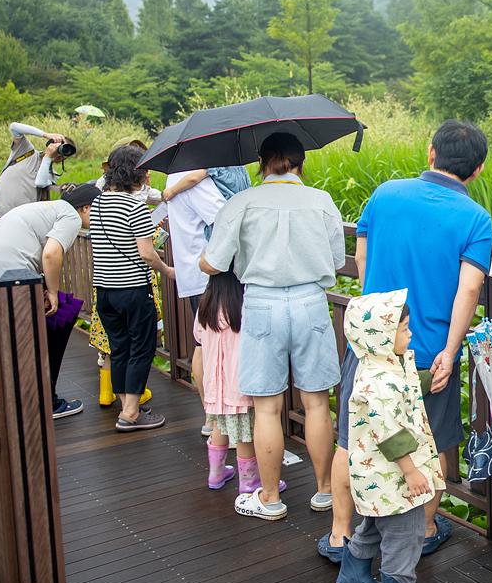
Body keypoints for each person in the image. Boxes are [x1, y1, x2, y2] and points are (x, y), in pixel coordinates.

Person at [317, 120, 491, 562]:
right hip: (429, 352)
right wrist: (451, 350)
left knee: (350, 441)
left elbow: (361, 257)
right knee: (429, 446)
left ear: (431, 152)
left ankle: (340, 535)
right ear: (478, 169)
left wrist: (375, 317)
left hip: (371, 345)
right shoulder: (475, 218)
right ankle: (425, 531)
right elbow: (470, 289)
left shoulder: (385, 194)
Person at [201, 132, 344, 522]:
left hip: (262, 304)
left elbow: (214, 262)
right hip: (310, 302)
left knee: (266, 408)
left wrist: (204, 260)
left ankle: (269, 497)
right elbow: (335, 260)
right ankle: (325, 491)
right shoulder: (321, 201)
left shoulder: (241, 202)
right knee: (316, 402)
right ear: (301, 164)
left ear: (261, 163)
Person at [333, 290, 444, 583]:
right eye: (404, 328)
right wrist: (411, 472)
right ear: (380, 335)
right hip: (394, 476)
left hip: (377, 481)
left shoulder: (378, 364)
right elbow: (389, 433)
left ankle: (352, 575)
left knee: (376, 523)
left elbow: (404, 389)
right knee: (405, 533)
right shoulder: (379, 382)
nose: (410, 334)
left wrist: (427, 380)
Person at [0, 183, 101, 418]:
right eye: (100, 212)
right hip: (3, 281)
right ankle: (46, 401)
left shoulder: (49, 208)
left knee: (53, 316)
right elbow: (51, 253)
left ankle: (11, 383)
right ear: (86, 208)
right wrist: (52, 293)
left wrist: (48, 289)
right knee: (60, 316)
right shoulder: (70, 216)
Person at [90, 145, 174, 432]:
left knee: (119, 347)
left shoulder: (98, 203)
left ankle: (129, 406)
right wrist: (167, 270)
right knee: (142, 347)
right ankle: (129, 414)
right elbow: (146, 253)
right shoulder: (134, 207)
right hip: (133, 289)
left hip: (105, 292)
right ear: (136, 173)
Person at [194, 269, 286, 497]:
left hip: (215, 385)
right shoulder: (242, 307)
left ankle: (216, 473)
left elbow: (198, 336)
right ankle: (249, 481)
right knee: (245, 433)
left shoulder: (205, 306)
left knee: (220, 425)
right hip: (239, 384)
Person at [161, 166, 231, 436]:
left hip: (193, 273)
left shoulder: (174, 176)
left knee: (203, 343)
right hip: (208, 275)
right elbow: (223, 216)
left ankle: (211, 418)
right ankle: (216, 421)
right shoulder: (194, 180)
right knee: (213, 347)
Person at [0, 122, 74, 224]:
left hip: (21, 221)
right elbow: (14, 127)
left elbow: (40, 182)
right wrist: (46, 135)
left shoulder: (52, 174)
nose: (61, 152)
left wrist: (48, 157)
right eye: (61, 146)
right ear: (51, 143)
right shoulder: (26, 151)